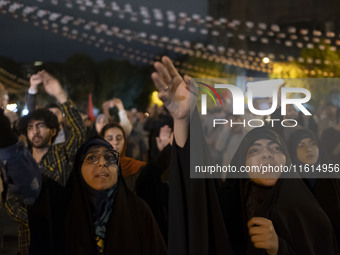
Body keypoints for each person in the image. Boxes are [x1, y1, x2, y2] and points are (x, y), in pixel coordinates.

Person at [151, 56, 339, 254]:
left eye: (276, 148)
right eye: (255, 150)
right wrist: (184, 120)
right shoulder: (229, 207)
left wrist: (280, 248)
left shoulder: (309, 214)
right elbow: (196, 196)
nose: (267, 155)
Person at [0, 118, 166, 255]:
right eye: (92, 158)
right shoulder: (63, 208)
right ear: (78, 170)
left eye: (110, 158)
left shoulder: (138, 211)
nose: (102, 162)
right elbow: (27, 180)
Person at [5, 70, 85, 254]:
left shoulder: (62, 153)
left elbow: (79, 132)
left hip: (62, 241)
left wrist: (60, 95)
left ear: (53, 131)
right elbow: (10, 201)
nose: (35, 131)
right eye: (31, 127)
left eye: (41, 126)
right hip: (28, 243)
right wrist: (36, 218)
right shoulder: (20, 162)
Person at [287, 128, 340, 248]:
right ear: (292, 152)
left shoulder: (333, 179)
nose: (309, 149)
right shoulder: (289, 186)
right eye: (301, 145)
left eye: (313, 143)